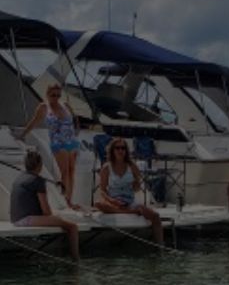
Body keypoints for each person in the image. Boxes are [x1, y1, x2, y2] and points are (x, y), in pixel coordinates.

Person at [19, 83, 83, 211]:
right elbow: (35, 121)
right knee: (64, 172)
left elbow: (75, 119)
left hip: (72, 141)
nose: (56, 98)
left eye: (58, 95)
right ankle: (67, 202)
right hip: (58, 143)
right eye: (53, 95)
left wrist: (77, 131)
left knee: (71, 171)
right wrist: (23, 134)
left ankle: (70, 200)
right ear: (47, 95)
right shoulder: (44, 107)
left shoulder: (65, 105)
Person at [9, 149, 82, 261]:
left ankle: (63, 253)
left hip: (15, 219)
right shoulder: (38, 181)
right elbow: (46, 211)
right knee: (72, 226)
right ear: (40, 165)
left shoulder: (18, 178)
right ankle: (76, 260)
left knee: (60, 219)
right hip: (26, 219)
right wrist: (57, 218)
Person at [93, 137, 164, 245]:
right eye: (118, 148)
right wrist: (112, 201)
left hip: (129, 201)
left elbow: (138, 186)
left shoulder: (132, 166)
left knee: (155, 216)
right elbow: (102, 190)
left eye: (123, 148)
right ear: (112, 150)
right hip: (114, 201)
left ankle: (159, 244)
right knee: (98, 204)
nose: (121, 151)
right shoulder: (106, 167)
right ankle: (128, 212)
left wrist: (136, 185)